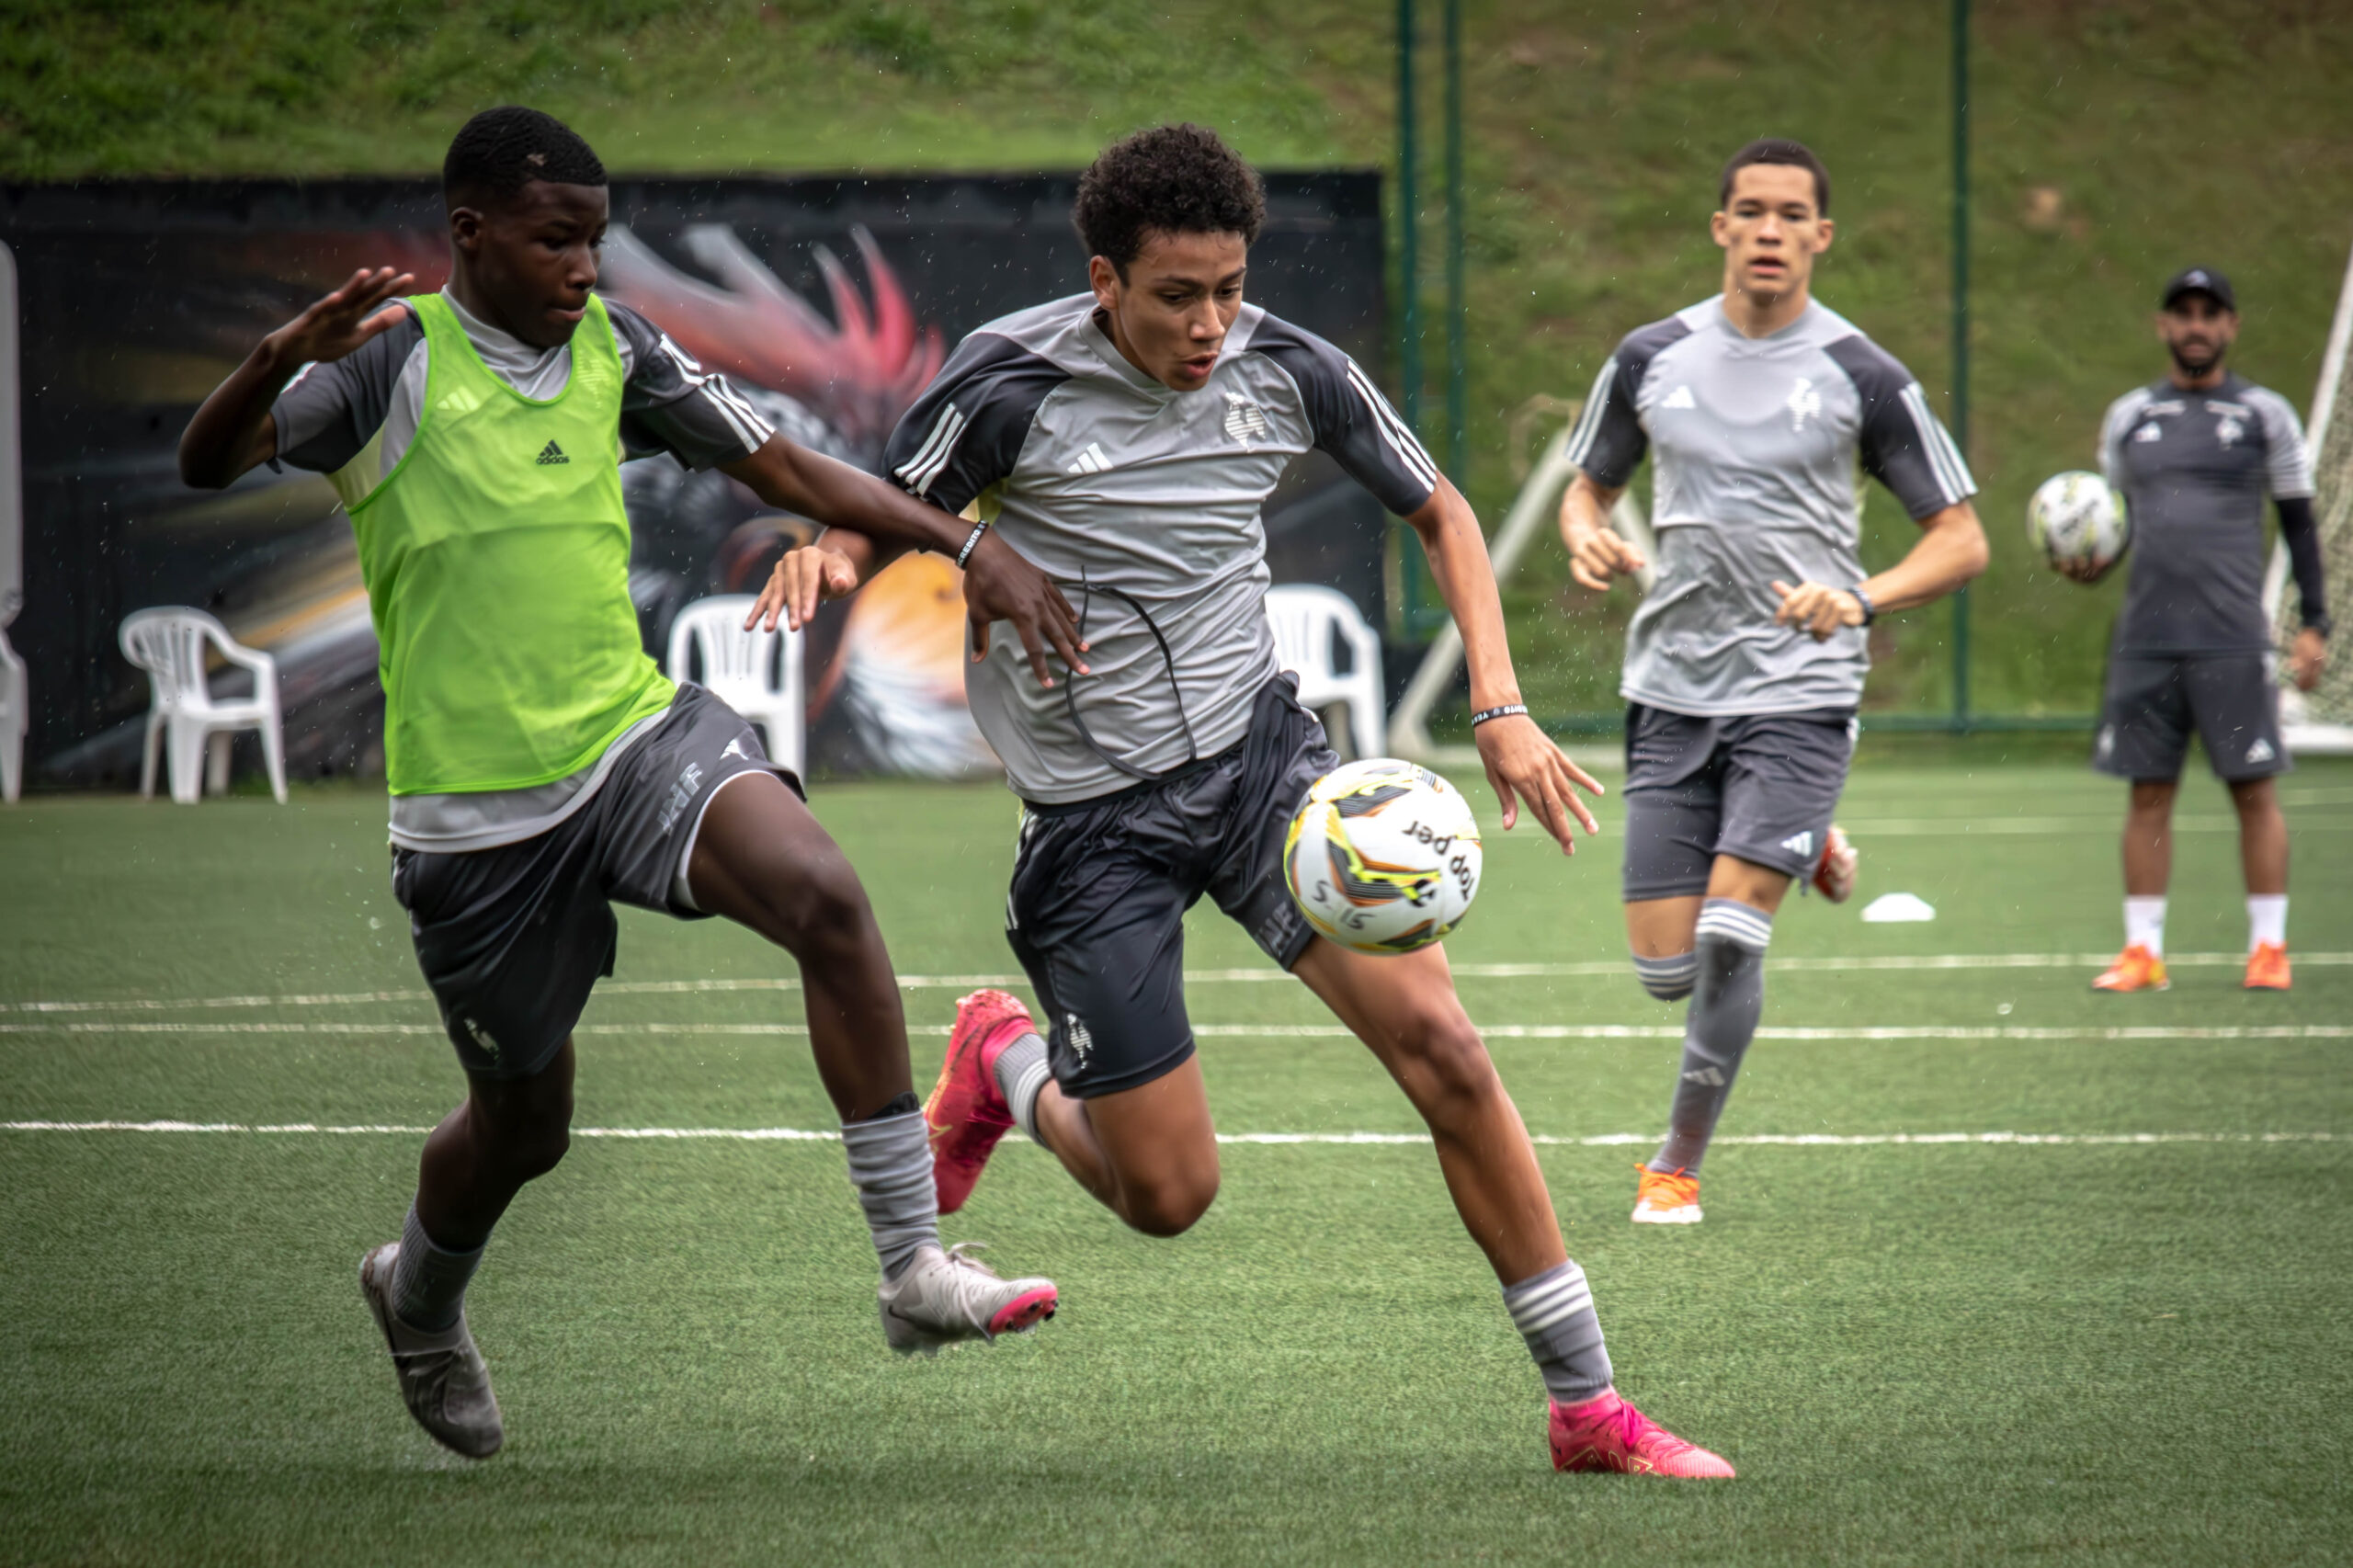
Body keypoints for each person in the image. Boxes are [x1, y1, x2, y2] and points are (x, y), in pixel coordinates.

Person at [754, 123, 1733, 1478]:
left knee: (1448, 1052)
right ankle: (1003, 1060)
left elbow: (1443, 511)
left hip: (1266, 768)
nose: (1211, 322)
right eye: (1176, 295)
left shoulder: (1291, 366)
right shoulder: (1006, 382)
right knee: (1167, 1195)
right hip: (1092, 822)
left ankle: (1588, 1407)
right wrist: (841, 556)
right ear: (1106, 281)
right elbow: (877, 504)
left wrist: (1499, 707)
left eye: (1229, 287)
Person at [176, 107, 1074, 1460]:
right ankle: (418, 1293)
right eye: (556, 240)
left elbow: (779, 465)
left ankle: (910, 1269)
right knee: (527, 1127)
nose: (586, 266)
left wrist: (965, 543)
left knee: (825, 894)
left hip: (631, 742)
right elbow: (208, 461)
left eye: (596, 239)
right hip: (473, 821)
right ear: (469, 234)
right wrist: (271, 363)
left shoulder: (617, 350)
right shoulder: (382, 369)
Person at [1555, 138, 1988, 1227]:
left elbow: (1961, 539)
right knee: (1663, 969)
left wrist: (1862, 596)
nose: (1767, 229)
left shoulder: (1863, 374)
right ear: (1719, 228)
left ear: (1819, 237)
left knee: (1729, 935)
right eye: (1748, 210)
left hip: (1802, 684)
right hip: (1672, 682)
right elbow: (1584, 492)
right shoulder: (1649, 354)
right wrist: (1586, 536)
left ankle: (1675, 1164)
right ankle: (1805, 837)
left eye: (1790, 214)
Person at [2075, 267, 2329, 994]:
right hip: (2146, 638)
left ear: (2230, 327)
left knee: (2254, 790)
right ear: (2163, 325)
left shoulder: (2263, 415)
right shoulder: (2128, 417)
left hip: (2231, 637)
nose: (2195, 325)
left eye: (2209, 314)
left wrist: (2314, 622)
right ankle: (2143, 952)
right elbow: (2110, 523)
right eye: (2182, 313)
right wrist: (2089, 561)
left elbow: (2300, 523)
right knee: (2146, 793)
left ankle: (2269, 948)